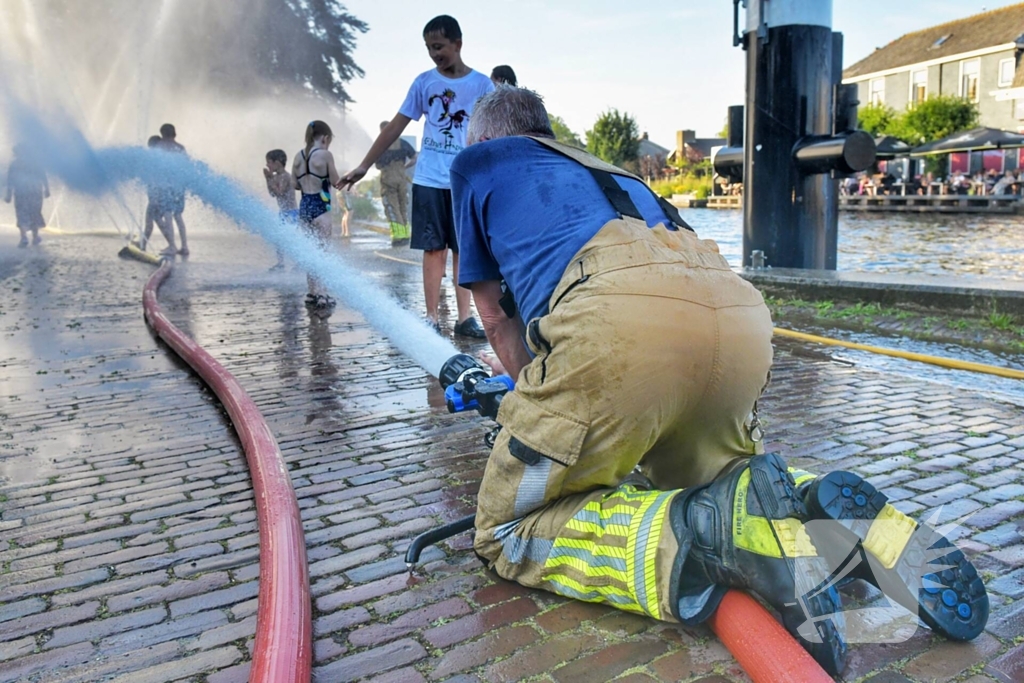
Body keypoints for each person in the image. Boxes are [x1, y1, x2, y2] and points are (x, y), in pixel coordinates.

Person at [449, 87, 988, 676]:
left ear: (484, 138)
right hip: (737, 317)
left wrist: (539, 416)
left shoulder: (478, 163)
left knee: (506, 530)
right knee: (735, 482)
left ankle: (703, 534)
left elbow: (496, 317)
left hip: (616, 322)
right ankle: (812, 507)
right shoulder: (608, 170)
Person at [339, 15, 492, 338]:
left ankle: (465, 319)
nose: (434, 54)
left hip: (464, 181)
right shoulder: (424, 83)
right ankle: (432, 317)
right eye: (428, 48)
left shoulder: (481, 85)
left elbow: (496, 130)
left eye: (439, 47)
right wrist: (365, 164)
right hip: (430, 179)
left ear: (458, 44)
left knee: (462, 250)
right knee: (434, 249)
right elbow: (396, 126)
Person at [293, 120, 342, 311]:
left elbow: (294, 184)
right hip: (321, 207)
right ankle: (323, 295)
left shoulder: (298, 156)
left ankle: (312, 293)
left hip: (304, 206)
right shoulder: (325, 155)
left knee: (310, 253)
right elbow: (336, 181)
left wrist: (307, 180)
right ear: (325, 137)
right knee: (322, 253)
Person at [375, 120, 417, 246]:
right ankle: (406, 234)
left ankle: (398, 236)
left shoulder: (381, 144)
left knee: (392, 206)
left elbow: (377, 165)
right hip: (402, 177)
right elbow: (414, 157)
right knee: (403, 205)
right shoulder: (402, 143)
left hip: (388, 177)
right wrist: (404, 166)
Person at [4, 144, 49, 247]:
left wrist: (9, 195)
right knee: (34, 213)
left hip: (21, 192)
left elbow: (10, 180)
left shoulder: (15, 164)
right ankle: (35, 237)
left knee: (22, 213)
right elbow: (43, 176)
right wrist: (47, 189)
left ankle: (24, 237)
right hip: (35, 191)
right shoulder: (36, 163)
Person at [141, 136, 177, 256]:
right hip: (164, 195)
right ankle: (171, 245)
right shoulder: (165, 157)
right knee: (158, 220)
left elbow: (153, 181)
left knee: (150, 221)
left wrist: (154, 198)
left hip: (157, 196)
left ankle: (143, 245)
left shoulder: (153, 159)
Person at [264, 149, 298, 270]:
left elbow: (280, 192)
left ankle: (298, 262)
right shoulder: (277, 177)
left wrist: (269, 179)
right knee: (279, 239)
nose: (267, 165)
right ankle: (281, 263)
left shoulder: (285, 176)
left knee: (292, 239)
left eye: (269, 162)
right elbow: (272, 194)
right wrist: (268, 180)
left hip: (292, 213)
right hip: (283, 212)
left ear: (277, 163)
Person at [160, 124, 189, 255]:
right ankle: (185, 247)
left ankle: (172, 246)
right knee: (178, 215)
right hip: (180, 186)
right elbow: (186, 167)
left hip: (167, 185)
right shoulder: (181, 148)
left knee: (167, 214)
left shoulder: (161, 148)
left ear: (163, 134)